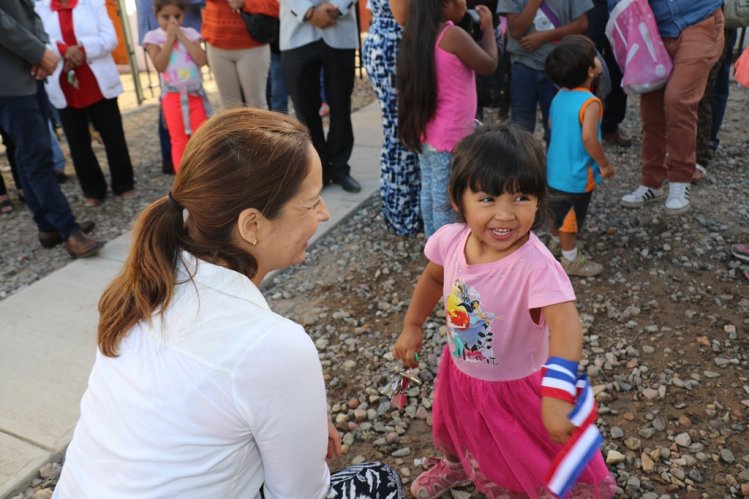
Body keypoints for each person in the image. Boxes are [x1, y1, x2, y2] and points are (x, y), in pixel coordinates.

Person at [51, 108, 404, 499]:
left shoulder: (150, 283)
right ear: (252, 225)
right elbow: (300, 495)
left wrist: (296, 420)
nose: (324, 213)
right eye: (311, 202)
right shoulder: (273, 346)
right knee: (380, 482)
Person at [392, 124, 615, 498]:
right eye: (487, 199)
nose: (505, 215)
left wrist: (559, 395)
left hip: (516, 386)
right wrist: (412, 326)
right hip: (460, 368)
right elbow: (432, 280)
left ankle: (515, 482)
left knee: (519, 450)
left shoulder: (536, 267)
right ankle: (457, 465)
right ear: (456, 199)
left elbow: (566, 325)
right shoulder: (450, 240)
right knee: (453, 426)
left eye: (521, 198)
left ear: (539, 201)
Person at [0, 0, 101, 257]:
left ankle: (49, 227)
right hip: (9, 79)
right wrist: (37, 52)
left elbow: (31, 13)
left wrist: (42, 49)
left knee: (29, 153)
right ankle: (68, 231)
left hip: (29, 72)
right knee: (37, 156)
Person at [397, 0, 497, 236]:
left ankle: (434, 248)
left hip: (428, 132)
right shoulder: (452, 35)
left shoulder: (417, 34)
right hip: (451, 137)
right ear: (444, 4)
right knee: (446, 201)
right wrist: (489, 28)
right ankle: (445, 258)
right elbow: (489, 64)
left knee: (431, 193)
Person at [620, 1, 724, 215]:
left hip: (699, 18)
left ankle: (680, 180)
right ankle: (651, 181)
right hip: (652, 25)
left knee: (678, 99)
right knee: (651, 108)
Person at [36, 0, 136, 208]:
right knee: (77, 142)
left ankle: (123, 183)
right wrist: (63, 50)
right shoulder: (39, 7)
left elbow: (110, 38)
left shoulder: (94, 3)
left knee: (113, 135)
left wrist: (81, 49)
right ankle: (93, 190)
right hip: (64, 83)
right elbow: (37, 41)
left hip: (96, 81)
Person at [545, 35, 614, 277]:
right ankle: (570, 259)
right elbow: (588, 138)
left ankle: (556, 242)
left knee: (556, 211)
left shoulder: (559, 95)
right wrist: (604, 164)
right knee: (570, 221)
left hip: (554, 168)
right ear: (590, 71)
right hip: (576, 174)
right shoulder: (590, 102)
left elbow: (551, 124)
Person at [279, 0, 362, 193]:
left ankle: (341, 168)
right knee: (303, 108)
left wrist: (336, 7)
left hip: (340, 29)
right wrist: (308, 11)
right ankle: (316, 171)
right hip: (296, 33)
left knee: (341, 106)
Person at [362, 0, 421, 235]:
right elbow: (404, 15)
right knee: (402, 135)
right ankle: (402, 215)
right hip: (395, 45)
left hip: (395, 41)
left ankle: (402, 209)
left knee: (403, 133)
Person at [496, 0, 592, 145]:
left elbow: (582, 23)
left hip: (560, 67)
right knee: (521, 129)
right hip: (523, 65)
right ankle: (523, 166)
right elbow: (515, 31)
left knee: (557, 129)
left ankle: (554, 166)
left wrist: (543, 37)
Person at [136, 0, 204, 174]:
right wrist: (170, 39)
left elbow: (201, 60)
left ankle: (203, 175)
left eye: (177, 16)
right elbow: (160, 65)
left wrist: (181, 37)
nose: (172, 21)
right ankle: (183, 178)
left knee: (201, 138)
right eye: (166, 17)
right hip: (172, 97)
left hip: (194, 95)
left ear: (183, 15)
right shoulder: (152, 37)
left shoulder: (191, 33)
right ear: (156, 16)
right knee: (179, 140)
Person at [202, 0, 277, 109]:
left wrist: (245, 3)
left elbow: (274, 6)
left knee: (256, 106)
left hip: (253, 44)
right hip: (216, 42)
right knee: (230, 108)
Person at [586, 0, 631, 147]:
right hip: (591, 6)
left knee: (619, 65)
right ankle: (583, 123)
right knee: (587, 62)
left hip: (620, 6)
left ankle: (610, 125)